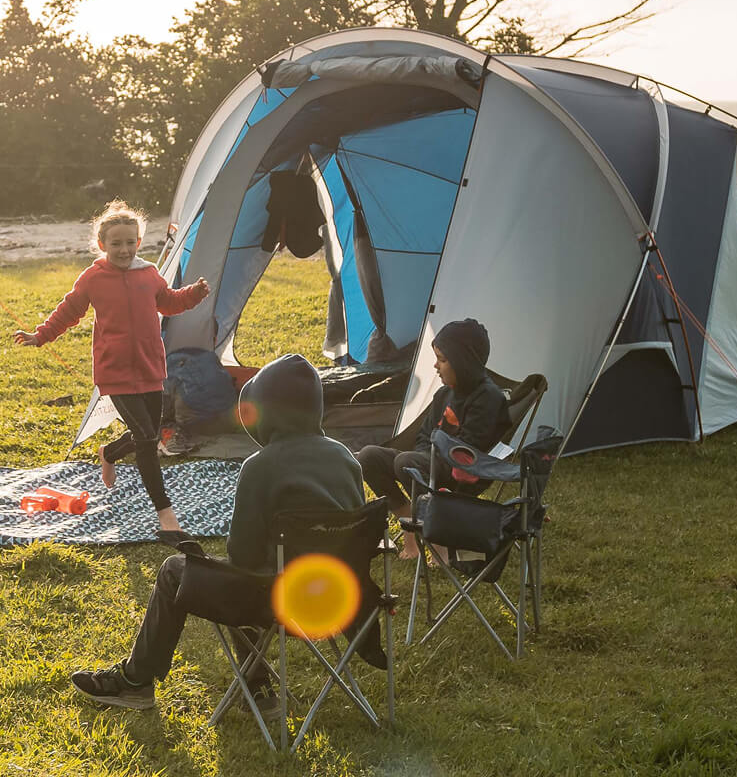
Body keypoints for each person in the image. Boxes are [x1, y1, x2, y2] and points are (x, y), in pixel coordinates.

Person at [69, 353, 367, 714]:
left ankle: (136, 682)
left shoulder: (260, 466)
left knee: (180, 570)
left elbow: (242, 556)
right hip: (339, 601)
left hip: (281, 604)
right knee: (254, 576)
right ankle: (257, 690)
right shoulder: (346, 458)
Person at [13, 199, 209, 541]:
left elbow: (169, 302)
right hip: (114, 372)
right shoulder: (93, 277)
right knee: (148, 440)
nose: (124, 249)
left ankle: (110, 452)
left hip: (150, 367)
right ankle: (166, 514)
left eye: (130, 242)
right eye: (116, 243)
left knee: (147, 431)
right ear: (102, 245)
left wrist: (192, 295)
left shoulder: (149, 274)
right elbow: (69, 310)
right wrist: (40, 335)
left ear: (139, 241)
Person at [358, 318, 511, 559]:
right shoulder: (443, 394)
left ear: (463, 362)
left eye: (442, 360)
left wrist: (424, 458)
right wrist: (423, 455)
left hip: (463, 471)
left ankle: (439, 542)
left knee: (406, 462)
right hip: (431, 462)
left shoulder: (489, 399)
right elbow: (424, 435)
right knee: (369, 457)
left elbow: (469, 448)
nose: (436, 367)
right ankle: (410, 525)